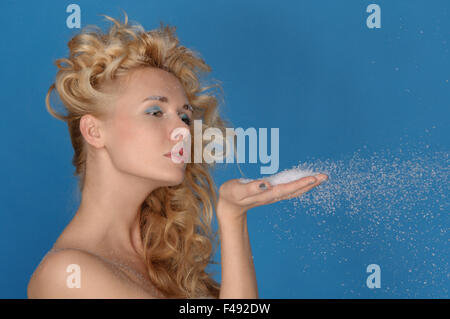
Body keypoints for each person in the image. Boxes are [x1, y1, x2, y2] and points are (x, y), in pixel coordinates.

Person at [27, 11, 328, 299]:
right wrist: (231, 218)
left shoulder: (163, 260)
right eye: (155, 111)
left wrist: (233, 214)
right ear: (94, 131)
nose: (182, 131)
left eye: (184, 116)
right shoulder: (66, 275)